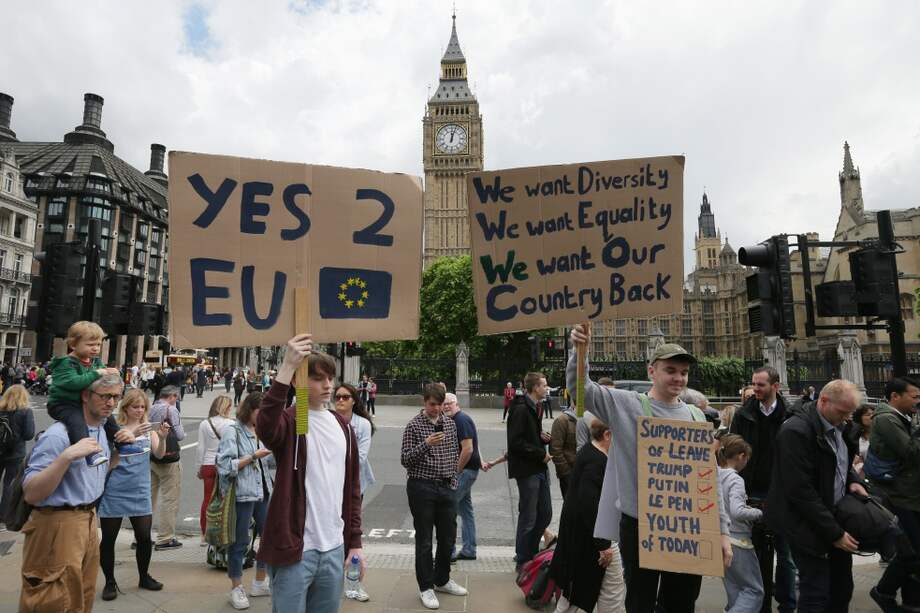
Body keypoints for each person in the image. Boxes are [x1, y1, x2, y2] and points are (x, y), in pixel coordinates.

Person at [567, 324, 732, 613]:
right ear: (651, 372)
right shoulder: (627, 405)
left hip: (688, 527)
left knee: (681, 603)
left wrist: (722, 531)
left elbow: (711, 479)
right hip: (640, 525)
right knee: (640, 602)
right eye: (671, 370)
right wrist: (579, 350)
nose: (678, 378)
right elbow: (582, 390)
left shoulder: (696, 415)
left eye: (683, 372)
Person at [255, 334, 364, 613]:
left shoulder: (343, 426)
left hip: (334, 548)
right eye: (317, 378)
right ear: (300, 382)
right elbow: (267, 427)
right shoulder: (297, 419)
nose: (328, 385)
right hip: (296, 550)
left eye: (330, 377)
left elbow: (352, 490)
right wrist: (288, 367)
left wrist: (355, 543)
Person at [20, 373, 132, 611]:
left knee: (82, 594)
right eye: (104, 396)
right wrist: (67, 456)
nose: (111, 403)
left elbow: (98, 471)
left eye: (115, 397)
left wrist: (121, 449)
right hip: (57, 521)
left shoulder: (101, 430)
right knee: (53, 599)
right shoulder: (58, 436)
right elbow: (30, 492)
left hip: (89, 518)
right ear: (85, 396)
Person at [765, 379, 866, 613]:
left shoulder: (841, 427)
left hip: (832, 517)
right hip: (805, 523)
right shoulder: (795, 431)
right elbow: (800, 490)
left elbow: (840, 464)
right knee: (816, 591)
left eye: (850, 412)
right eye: (842, 411)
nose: (846, 418)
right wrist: (835, 533)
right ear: (823, 401)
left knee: (841, 589)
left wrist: (853, 482)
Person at [729, 365, 797, 613]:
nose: (754, 389)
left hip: (782, 492)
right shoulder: (743, 414)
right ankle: (760, 604)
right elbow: (732, 448)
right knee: (755, 554)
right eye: (753, 384)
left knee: (786, 555)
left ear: (775, 386)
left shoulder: (791, 413)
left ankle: (788, 605)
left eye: (760, 385)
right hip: (752, 492)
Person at [98, 388, 170, 600]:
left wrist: (163, 437)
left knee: (144, 538)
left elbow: (159, 454)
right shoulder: (115, 429)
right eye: (135, 407)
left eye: (142, 407)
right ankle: (110, 582)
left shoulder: (149, 430)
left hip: (140, 490)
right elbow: (108, 460)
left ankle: (143, 576)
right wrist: (128, 438)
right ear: (125, 408)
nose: (139, 411)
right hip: (115, 489)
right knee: (109, 539)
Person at [401, 383, 468, 609]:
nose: (436, 409)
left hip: (446, 486)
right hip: (422, 487)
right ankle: (426, 587)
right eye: (432, 404)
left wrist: (453, 481)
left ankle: (442, 579)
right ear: (424, 402)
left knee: (448, 536)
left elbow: (454, 454)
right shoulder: (413, 426)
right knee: (425, 539)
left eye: (440, 405)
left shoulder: (449, 424)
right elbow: (406, 459)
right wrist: (426, 444)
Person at [550, 418, 625, 613]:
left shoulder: (589, 453)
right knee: (610, 586)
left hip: (581, 539)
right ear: (607, 435)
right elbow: (589, 505)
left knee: (575, 596)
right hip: (591, 540)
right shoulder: (596, 461)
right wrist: (604, 546)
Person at [47, 321, 133, 466]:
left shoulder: (95, 362)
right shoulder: (66, 363)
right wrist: (98, 373)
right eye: (90, 344)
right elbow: (73, 383)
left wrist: (112, 374)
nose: (95, 348)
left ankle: (122, 445)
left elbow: (103, 382)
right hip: (64, 403)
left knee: (110, 421)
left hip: (84, 402)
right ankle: (90, 454)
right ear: (73, 345)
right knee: (77, 422)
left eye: (98, 345)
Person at [867, 378, 920, 612]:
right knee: (911, 552)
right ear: (895, 397)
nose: (918, 401)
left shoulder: (900, 418)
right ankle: (884, 591)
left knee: (914, 552)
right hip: (899, 496)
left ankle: (911, 601)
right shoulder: (887, 419)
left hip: (909, 494)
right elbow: (910, 452)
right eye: (914, 396)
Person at [217, 392, 273, 609]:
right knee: (239, 542)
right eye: (261, 411)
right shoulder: (233, 431)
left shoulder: (262, 431)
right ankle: (236, 587)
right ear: (249, 410)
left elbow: (269, 463)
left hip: (263, 490)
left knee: (268, 538)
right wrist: (253, 457)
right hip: (242, 494)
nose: (264, 416)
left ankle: (260, 581)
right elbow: (224, 465)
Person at [507, 371, 554, 572]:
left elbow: (527, 436)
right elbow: (516, 443)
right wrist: (539, 453)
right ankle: (523, 559)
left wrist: (540, 437)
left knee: (545, 513)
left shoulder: (534, 407)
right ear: (535, 388)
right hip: (528, 470)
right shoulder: (520, 409)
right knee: (529, 516)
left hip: (538, 468)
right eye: (544, 385)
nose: (547, 388)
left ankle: (530, 551)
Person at [333, 382, 376, 602]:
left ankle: (353, 585)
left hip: (352, 485)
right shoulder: (328, 420)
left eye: (345, 397)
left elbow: (359, 459)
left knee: (352, 534)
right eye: (337, 397)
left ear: (354, 400)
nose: (340, 400)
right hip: (329, 486)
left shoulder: (362, 425)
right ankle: (331, 582)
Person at [717, 434, 764, 613]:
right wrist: (761, 513)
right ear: (741, 456)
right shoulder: (735, 479)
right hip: (739, 541)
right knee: (754, 591)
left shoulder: (713, 475)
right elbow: (737, 511)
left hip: (721, 541)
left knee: (735, 591)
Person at [443, 392, 481, 563]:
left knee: (448, 509)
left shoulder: (460, 419)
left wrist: (456, 471)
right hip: (469, 470)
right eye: (444, 404)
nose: (446, 406)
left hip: (465, 471)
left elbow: (468, 448)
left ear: (456, 403)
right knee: (466, 511)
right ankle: (469, 549)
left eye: (449, 403)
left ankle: (449, 552)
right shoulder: (459, 419)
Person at [149, 385, 186, 550]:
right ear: (171, 396)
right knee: (170, 498)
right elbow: (179, 435)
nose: (176, 400)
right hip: (169, 458)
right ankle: (165, 538)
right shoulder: (171, 410)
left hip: (151, 455)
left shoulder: (150, 408)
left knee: (149, 497)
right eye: (176, 397)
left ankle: (141, 535)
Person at [196, 395, 234, 543]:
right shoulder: (231, 424)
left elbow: (201, 448)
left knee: (207, 499)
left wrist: (199, 467)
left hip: (208, 463)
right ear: (226, 407)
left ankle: (204, 534)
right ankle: (222, 532)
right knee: (225, 500)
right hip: (225, 465)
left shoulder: (205, 423)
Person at [0, 384, 34, 522]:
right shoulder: (25, 412)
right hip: (15, 452)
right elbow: (29, 434)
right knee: (10, 483)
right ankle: (3, 514)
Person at [550, 404, 577, 497]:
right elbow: (555, 449)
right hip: (569, 473)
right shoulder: (562, 421)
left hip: (586, 473)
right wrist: (565, 473)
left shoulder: (590, 420)